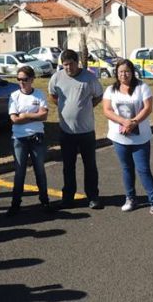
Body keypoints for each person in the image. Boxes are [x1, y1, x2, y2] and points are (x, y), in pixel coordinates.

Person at [103, 59, 153, 218]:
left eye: (126, 71)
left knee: (143, 169)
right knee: (126, 169)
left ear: (132, 72)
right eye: (120, 72)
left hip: (140, 137)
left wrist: (133, 122)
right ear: (116, 73)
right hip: (119, 137)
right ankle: (131, 199)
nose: (123, 75)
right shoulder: (111, 89)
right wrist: (123, 122)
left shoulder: (142, 87)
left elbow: (148, 108)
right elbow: (107, 110)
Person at [48, 49, 104, 209]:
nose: (68, 68)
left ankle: (93, 197)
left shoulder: (89, 77)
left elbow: (98, 95)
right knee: (68, 167)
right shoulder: (56, 77)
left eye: (71, 64)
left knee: (90, 166)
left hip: (86, 132)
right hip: (66, 132)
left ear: (77, 62)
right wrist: (63, 107)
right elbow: (52, 95)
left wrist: (87, 106)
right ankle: (68, 198)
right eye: (65, 65)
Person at [5, 65, 51, 216]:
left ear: (32, 79)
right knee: (19, 172)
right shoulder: (14, 96)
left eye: (24, 79)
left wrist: (24, 115)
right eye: (19, 79)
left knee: (40, 170)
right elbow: (14, 119)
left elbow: (44, 116)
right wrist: (32, 115)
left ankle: (44, 201)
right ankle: (15, 204)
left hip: (37, 137)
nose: (21, 82)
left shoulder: (39, 94)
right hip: (19, 138)